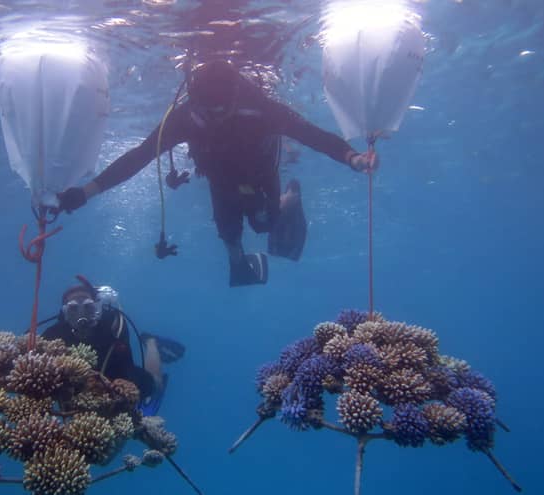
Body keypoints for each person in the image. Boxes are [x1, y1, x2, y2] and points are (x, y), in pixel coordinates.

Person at [56, 60, 378, 286]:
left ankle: (291, 195)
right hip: (220, 179)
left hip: (260, 172)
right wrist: (86, 192)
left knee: (264, 222)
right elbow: (139, 157)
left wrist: (353, 158)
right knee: (227, 231)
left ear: (235, 99)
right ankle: (238, 261)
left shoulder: (263, 110)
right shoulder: (184, 117)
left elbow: (313, 136)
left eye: (217, 110)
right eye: (202, 109)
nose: (209, 116)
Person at [41, 276, 185, 415]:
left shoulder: (113, 324)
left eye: (88, 307)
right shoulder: (54, 333)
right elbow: (25, 353)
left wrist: (121, 390)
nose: (81, 316)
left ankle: (151, 342)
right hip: (79, 386)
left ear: (97, 308)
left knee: (155, 386)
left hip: (117, 370)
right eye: (73, 309)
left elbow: (126, 364)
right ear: (64, 313)